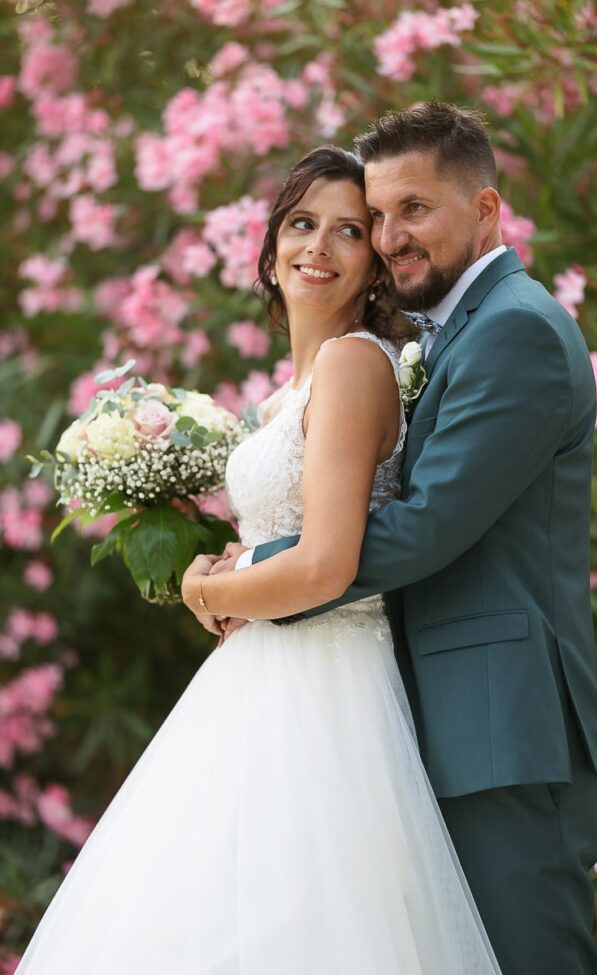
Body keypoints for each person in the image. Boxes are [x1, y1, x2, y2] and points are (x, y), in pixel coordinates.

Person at [15, 146, 501, 975]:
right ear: (272, 245)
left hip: (325, 682)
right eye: (302, 224)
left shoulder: (352, 365)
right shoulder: (290, 389)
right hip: (264, 677)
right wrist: (232, 565)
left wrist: (212, 587)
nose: (319, 247)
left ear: (374, 264)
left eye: (349, 231)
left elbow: (325, 567)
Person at [211, 104, 597, 975]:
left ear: (486, 210)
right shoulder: (457, 332)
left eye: (415, 210)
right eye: (381, 215)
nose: (393, 236)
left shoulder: (516, 331)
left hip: (507, 730)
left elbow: (427, 524)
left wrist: (251, 573)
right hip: (436, 719)